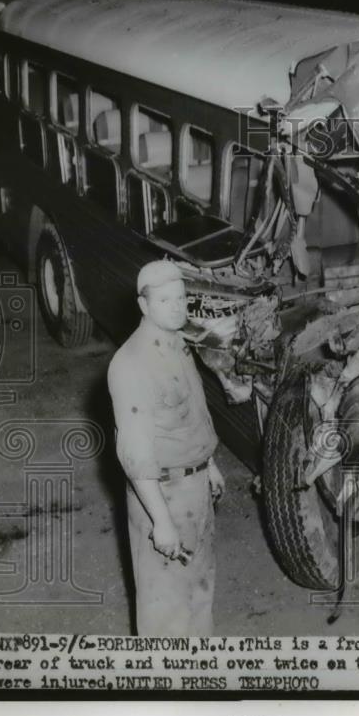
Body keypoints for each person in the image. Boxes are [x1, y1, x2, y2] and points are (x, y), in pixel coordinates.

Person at [108, 259, 225, 635]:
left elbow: (191, 415)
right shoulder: (131, 365)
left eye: (181, 298)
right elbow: (135, 457)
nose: (178, 307)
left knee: (199, 591)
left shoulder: (178, 343)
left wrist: (209, 464)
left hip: (195, 490)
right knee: (166, 610)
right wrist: (160, 521)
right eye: (165, 300)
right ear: (144, 305)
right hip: (164, 496)